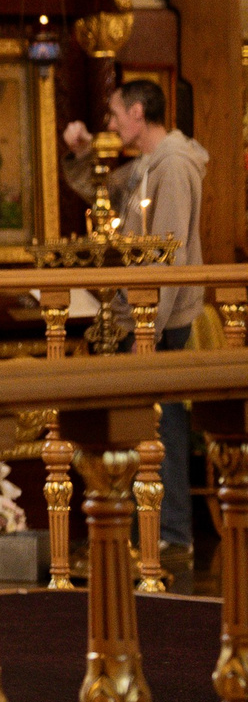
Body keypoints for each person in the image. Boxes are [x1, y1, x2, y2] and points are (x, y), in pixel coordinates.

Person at [65, 79, 209, 560]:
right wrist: (85, 152)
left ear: (138, 111)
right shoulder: (151, 162)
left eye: (114, 114)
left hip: (158, 319)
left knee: (161, 424)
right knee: (147, 424)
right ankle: (148, 530)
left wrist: (145, 324)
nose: (110, 123)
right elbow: (99, 190)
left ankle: (171, 535)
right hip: (146, 314)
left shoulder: (172, 164)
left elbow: (168, 252)